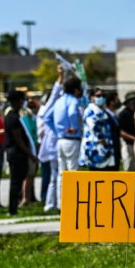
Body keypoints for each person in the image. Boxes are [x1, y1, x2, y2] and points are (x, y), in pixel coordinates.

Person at [47, 76, 83, 209]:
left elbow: (47, 117)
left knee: (62, 173)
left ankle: (62, 203)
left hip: (60, 140)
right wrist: (74, 127)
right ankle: (73, 204)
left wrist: (57, 131)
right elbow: (73, 113)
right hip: (72, 140)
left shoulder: (59, 101)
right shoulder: (73, 100)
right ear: (76, 89)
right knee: (73, 172)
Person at [5, 90, 38, 216]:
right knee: (16, 182)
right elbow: (18, 139)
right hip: (16, 153)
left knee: (17, 181)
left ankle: (13, 207)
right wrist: (30, 154)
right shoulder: (13, 118)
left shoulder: (14, 115)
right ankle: (12, 208)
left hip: (16, 152)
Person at [37, 65, 64, 212]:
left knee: (55, 177)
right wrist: (60, 76)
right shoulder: (49, 109)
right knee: (56, 176)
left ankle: (52, 203)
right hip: (53, 147)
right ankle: (53, 203)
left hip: (54, 146)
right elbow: (55, 93)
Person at [79, 88, 116, 171]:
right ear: (91, 98)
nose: (101, 98)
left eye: (103, 96)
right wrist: (101, 138)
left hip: (103, 148)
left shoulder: (101, 110)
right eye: (98, 96)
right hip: (95, 148)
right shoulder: (90, 110)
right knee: (96, 174)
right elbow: (94, 126)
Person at [20, 96, 40, 205]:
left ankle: (31, 196)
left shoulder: (34, 117)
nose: (32, 108)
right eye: (30, 106)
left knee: (32, 175)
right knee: (28, 175)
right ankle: (25, 198)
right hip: (30, 149)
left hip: (35, 148)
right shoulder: (25, 117)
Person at [118, 91, 135, 171]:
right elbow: (120, 131)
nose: (133, 103)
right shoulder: (123, 114)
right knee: (129, 165)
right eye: (131, 101)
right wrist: (134, 138)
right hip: (128, 144)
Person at [105, 91, 122, 171]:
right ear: (111, 102)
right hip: (110, 152)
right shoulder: (106, 116)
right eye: (116, 100)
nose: (118, 102)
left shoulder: (114, 115)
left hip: (115, 151)